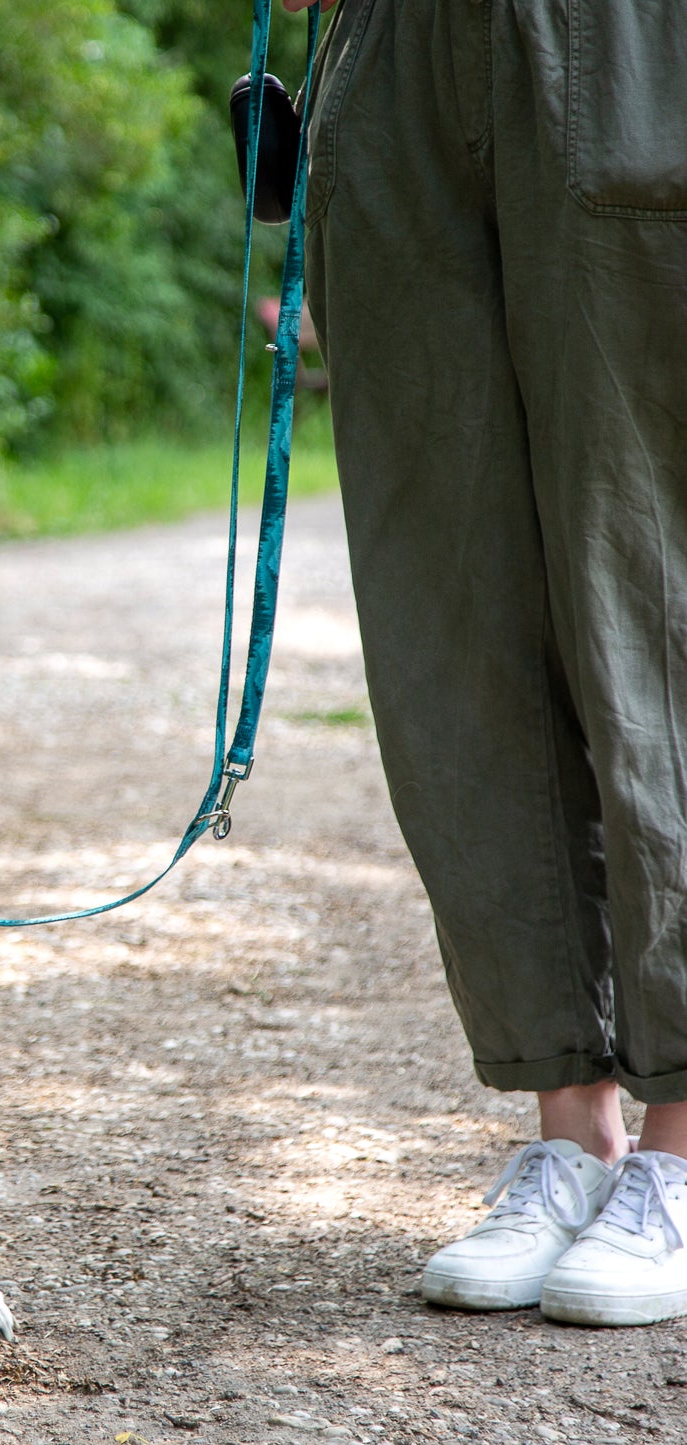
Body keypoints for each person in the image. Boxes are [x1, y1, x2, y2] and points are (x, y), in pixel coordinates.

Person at [281, 0, 687, 1324]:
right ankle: (571, 1129)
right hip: (393, 49)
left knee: (647, 594)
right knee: (448, 622)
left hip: (628, 41)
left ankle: (683, 1146)